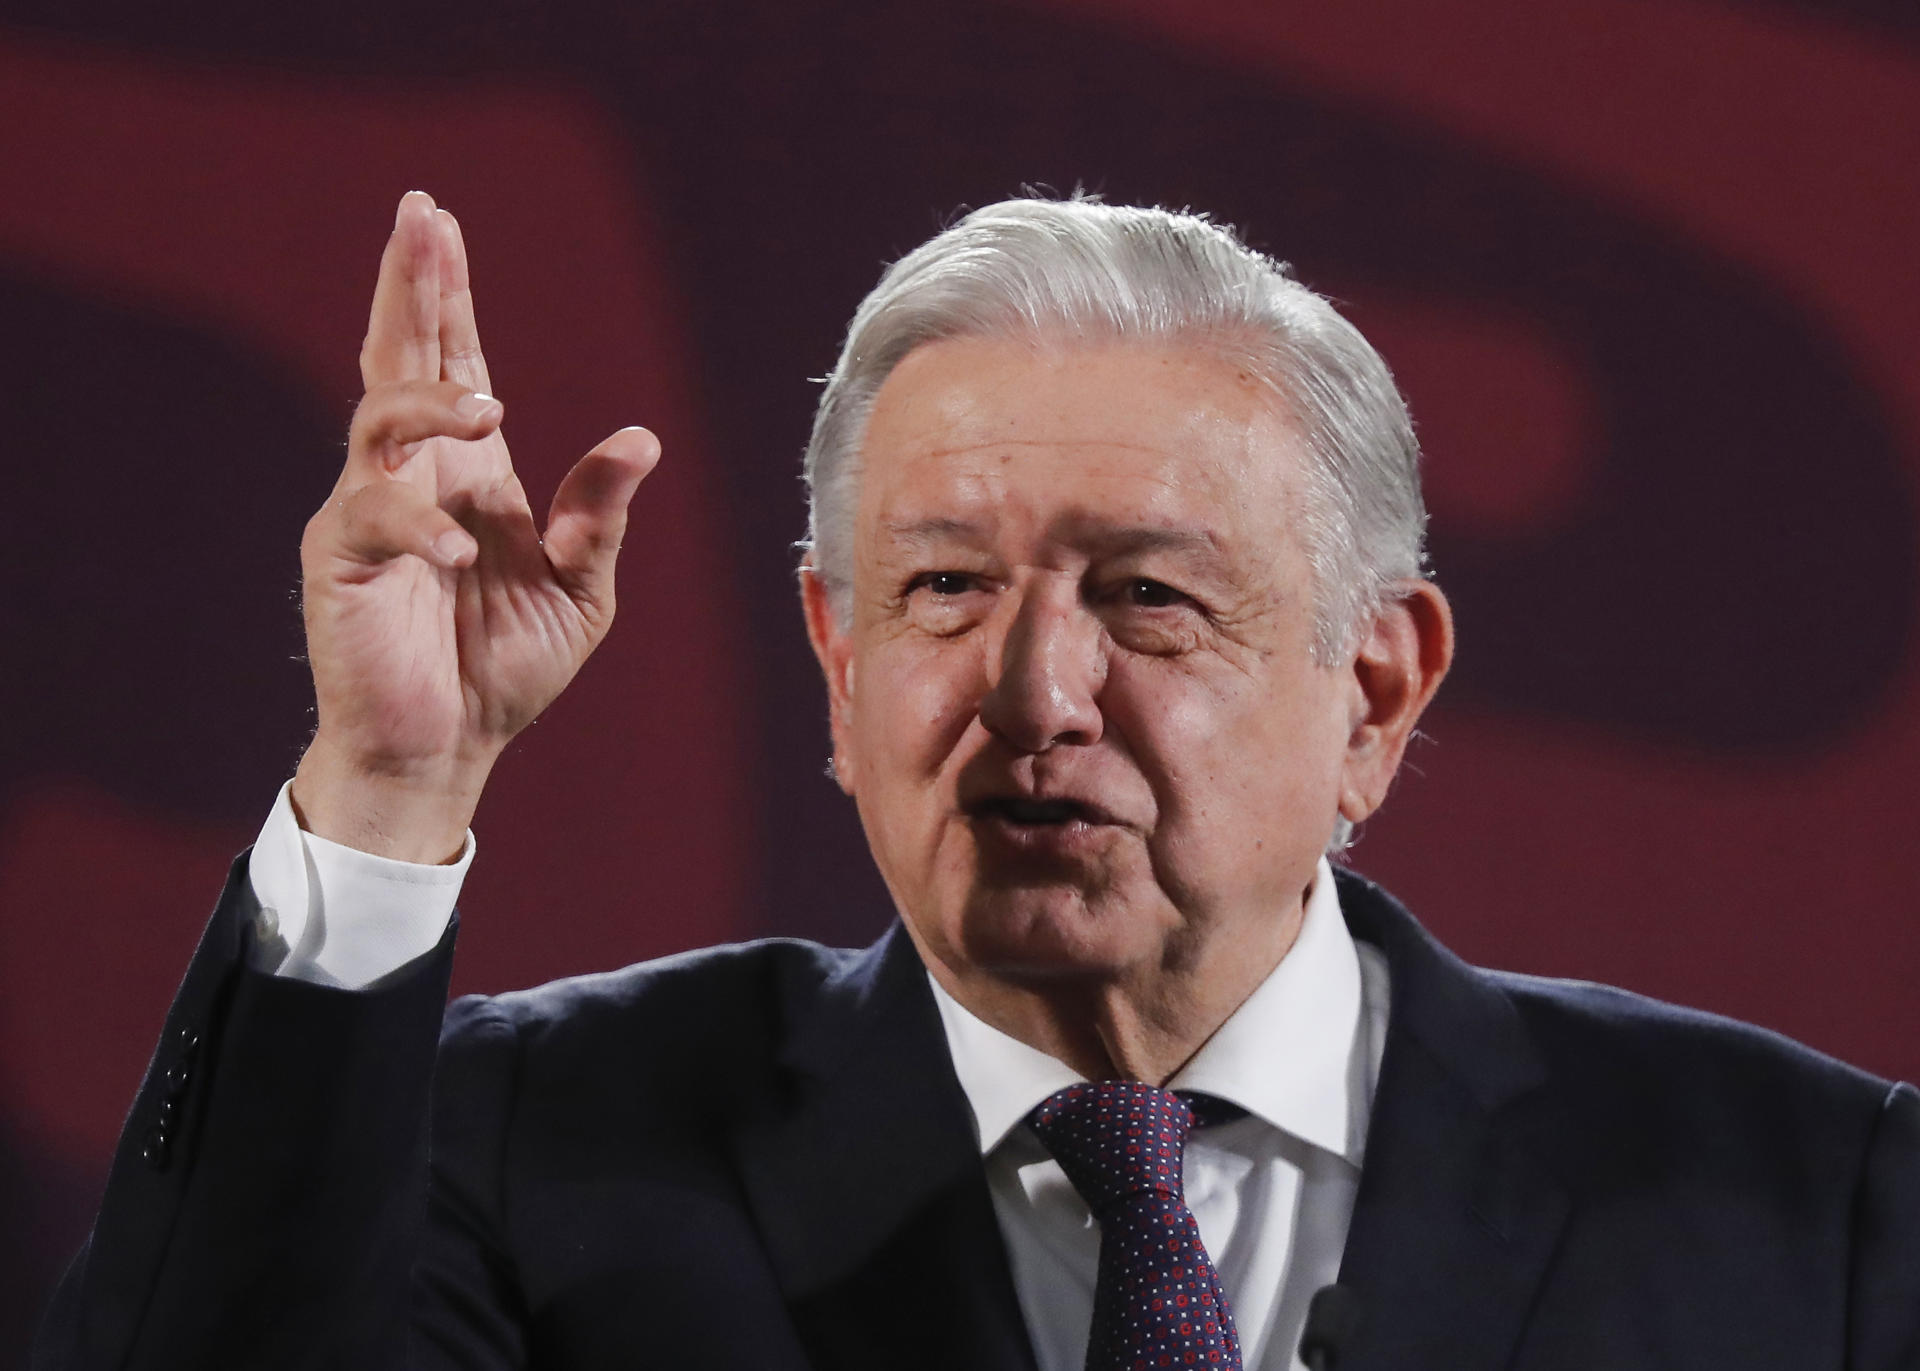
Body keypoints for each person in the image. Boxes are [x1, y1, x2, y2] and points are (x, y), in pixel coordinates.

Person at [36, 191, 1920, 1371]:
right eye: (943, 588)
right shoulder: (519, 1144)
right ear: (839, 667)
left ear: (1377, 691)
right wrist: (386, 783)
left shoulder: (1818, 1208)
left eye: (1148, 598)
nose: (1035, 690)